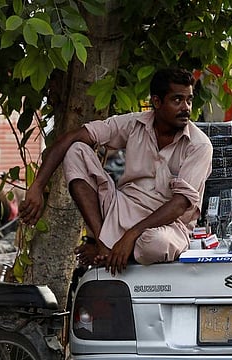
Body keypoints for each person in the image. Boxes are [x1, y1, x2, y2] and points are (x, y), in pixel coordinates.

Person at [19, 68, 213, 275]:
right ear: (157, 102)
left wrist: (132, 235)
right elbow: (72, 138)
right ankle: (105, 244)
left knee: (155, 244)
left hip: (167, 226)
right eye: (177, 100)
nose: (186, 108)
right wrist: (37, 187)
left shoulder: (199, 145)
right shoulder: (133, 124)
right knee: (76, 150)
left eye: (189, 100)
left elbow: (179, 205)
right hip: (119, 212)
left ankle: (109, 249)